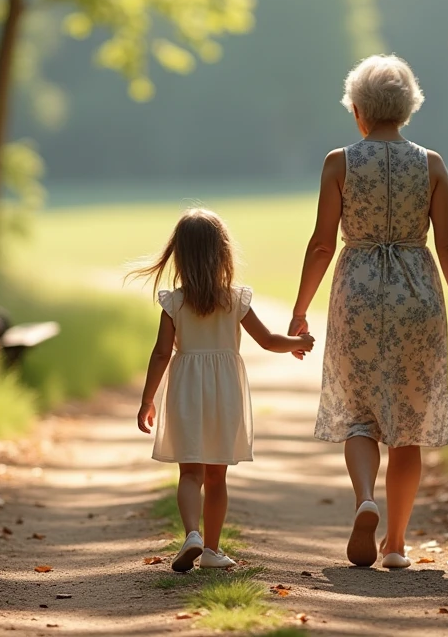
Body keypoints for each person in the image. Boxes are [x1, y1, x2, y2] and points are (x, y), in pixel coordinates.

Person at [289, 54, 448, 569]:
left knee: (358, 414)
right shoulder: (432, 164)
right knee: (408, 426)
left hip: (357, 293)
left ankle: (364, 500)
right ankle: (395, 544)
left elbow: (322, 246)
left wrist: (300, 309)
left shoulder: (339, 163)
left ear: (358, 111)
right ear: (408, 108)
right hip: (417, 295)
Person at [132, 208, 315, 573]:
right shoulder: (235, 300)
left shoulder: (174, 302)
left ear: (180, 255)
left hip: (186, 390)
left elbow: (160, 354)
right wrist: (299, 341)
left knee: (190, 474)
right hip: (225, 392)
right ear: (223, 253)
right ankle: (212, 550)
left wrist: (147, 399)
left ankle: (192, 536)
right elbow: (267, 340)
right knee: (217, 477)